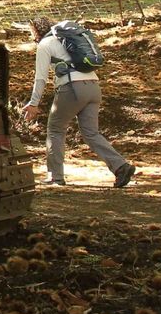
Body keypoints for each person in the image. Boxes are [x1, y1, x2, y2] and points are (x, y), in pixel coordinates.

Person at [22, 17, 135, 187]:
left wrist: (33, 104)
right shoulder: (65, 39)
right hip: (93, 87)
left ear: (36, 31)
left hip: (72, 89)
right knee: (91, 133)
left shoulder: (44, 45)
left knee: (55, 129)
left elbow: (40, 79)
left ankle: (55, 177)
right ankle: (121, 167)